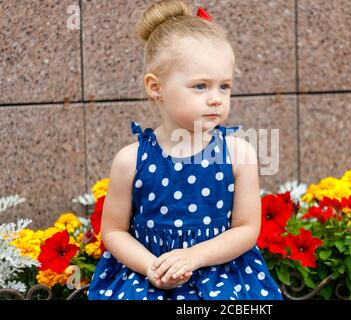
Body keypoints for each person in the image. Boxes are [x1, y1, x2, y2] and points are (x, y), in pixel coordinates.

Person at [88, 0, 283, 300]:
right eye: (201, 86)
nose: (216, 98)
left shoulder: (238, 154)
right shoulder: (130, 160)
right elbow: (114, 231)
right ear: (156, 87)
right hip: (147, 275)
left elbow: (246, 228)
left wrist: (195, 256)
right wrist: (151, 266)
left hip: (221, 274)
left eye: (224, 86)